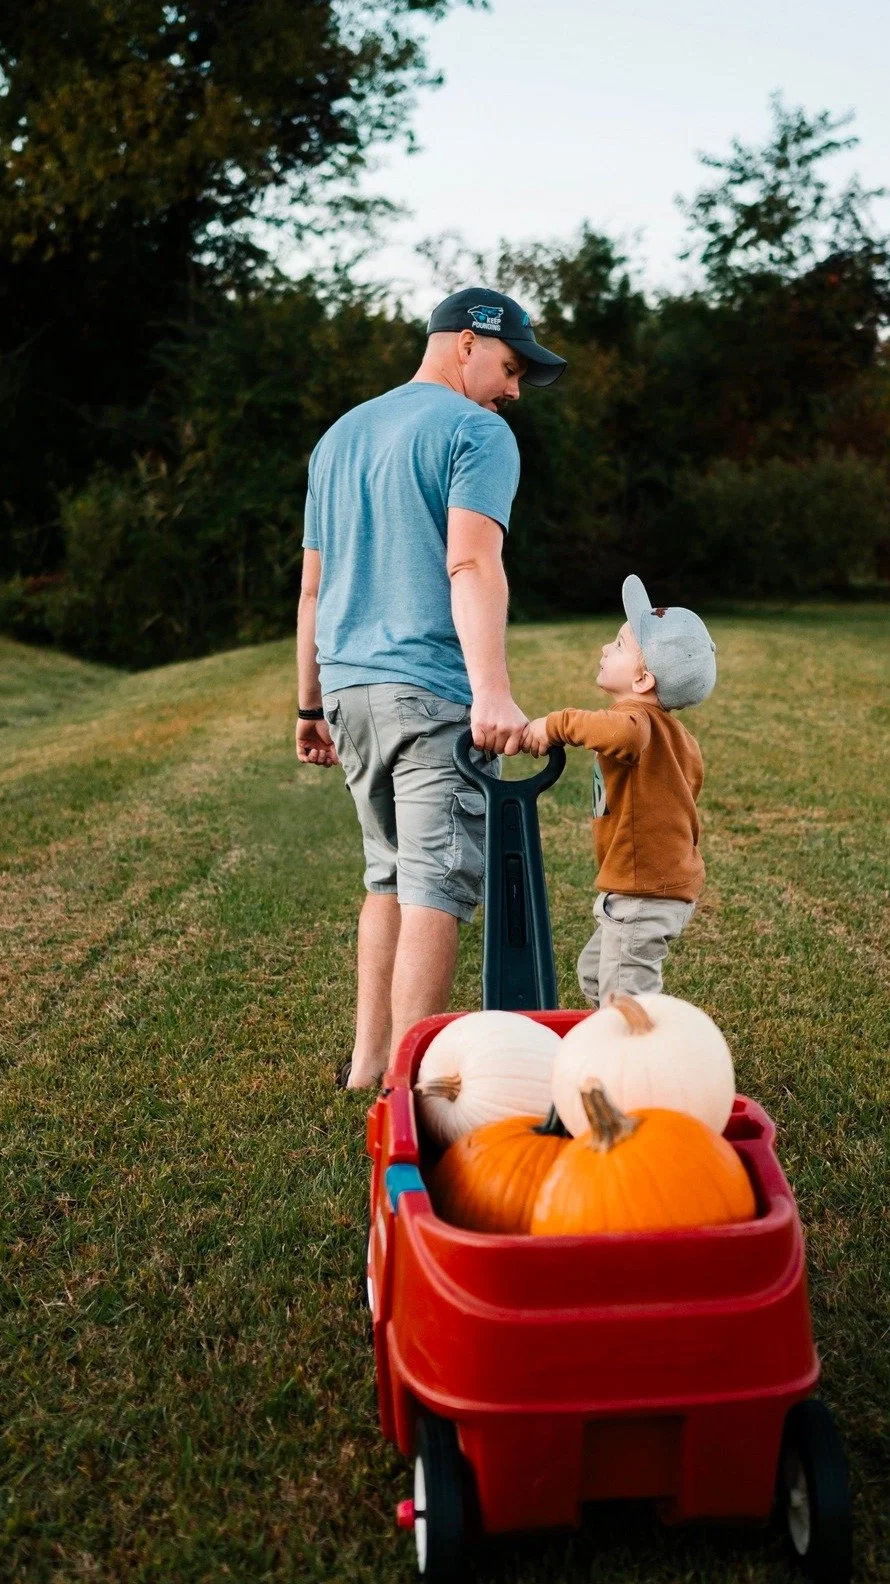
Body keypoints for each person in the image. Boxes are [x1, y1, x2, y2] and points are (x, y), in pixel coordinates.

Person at [295, 288, 567, 1089]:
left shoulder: (340, 435)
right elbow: (471, 561)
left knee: (387, 875)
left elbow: (311, 590)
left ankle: (369, 1069)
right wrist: (493, 691)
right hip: (427, 690)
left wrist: (309, 705)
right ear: (466, 344)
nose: (513, 391)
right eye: (510, 367)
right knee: (434, 886)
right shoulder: (474, 431)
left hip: (348, 692)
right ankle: (407, 1093)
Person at [522, 575, 716, 1006]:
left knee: (626, 1000)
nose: (604, 649)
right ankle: (614, 1044)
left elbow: (622, 735)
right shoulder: (679, 738)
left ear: (644, 679)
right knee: (595, 976)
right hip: (645, 887)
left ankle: (641, 1066)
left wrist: (554, 724)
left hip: (642, 893)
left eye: (620, 645)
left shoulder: (635, 721)